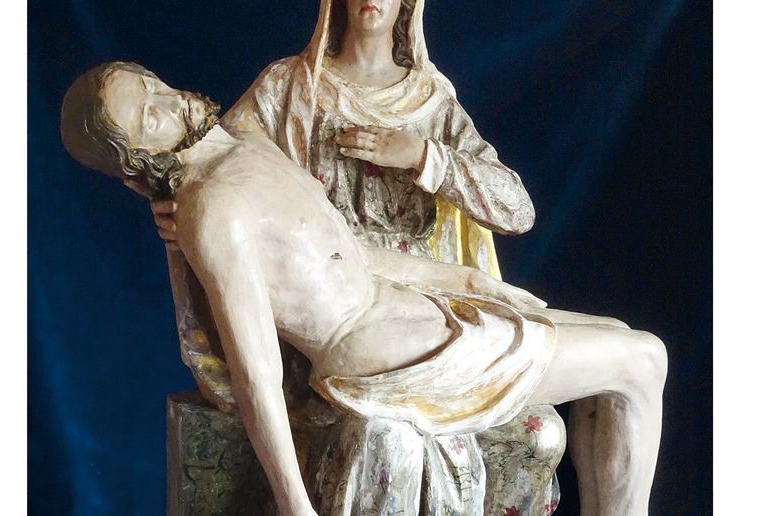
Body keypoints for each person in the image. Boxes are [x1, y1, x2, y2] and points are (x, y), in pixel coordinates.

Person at [61, 61, 667, 516]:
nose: (170, 101)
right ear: (138, 159)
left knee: (618, 338)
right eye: (151, 117)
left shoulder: (245, 150)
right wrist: (296, 506)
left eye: (153, 85)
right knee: (642, 361)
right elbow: (256, 373)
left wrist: (471, 280)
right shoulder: (213, 208)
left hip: (412, 314)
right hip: (383, 353)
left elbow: (343, 257)